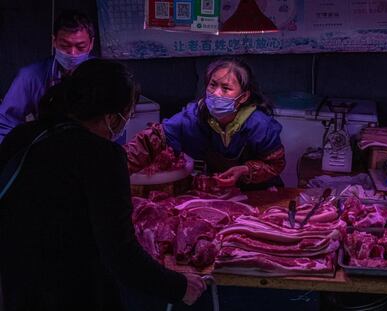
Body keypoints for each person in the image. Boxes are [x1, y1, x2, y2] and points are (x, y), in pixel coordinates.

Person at [0, 59, 206, 311]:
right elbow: (120, 253)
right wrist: (179, 287)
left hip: (18, 284)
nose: (126, 121)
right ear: (112, 116)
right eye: (128, 113)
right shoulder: (102, 156)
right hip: (73, 291)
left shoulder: (24, 135)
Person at [125, 57, 286, 190]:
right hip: (218, 194)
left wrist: (245, 170)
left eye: (226, 88)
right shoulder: (193, 117)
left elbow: (275, 164)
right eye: (213, 85)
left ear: (243, 97)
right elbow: (152, 140)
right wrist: (117, 165)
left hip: (261, 194)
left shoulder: (260, 126)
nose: (216, 93)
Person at [0, 10, 95, 143]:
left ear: (91, 44)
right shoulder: (31, 76)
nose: (72, 53)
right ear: (54, 41)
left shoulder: (104, 77)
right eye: (65, 45)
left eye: (80, 46)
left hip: (91, 148)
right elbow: (5, 123)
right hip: (47, 148)